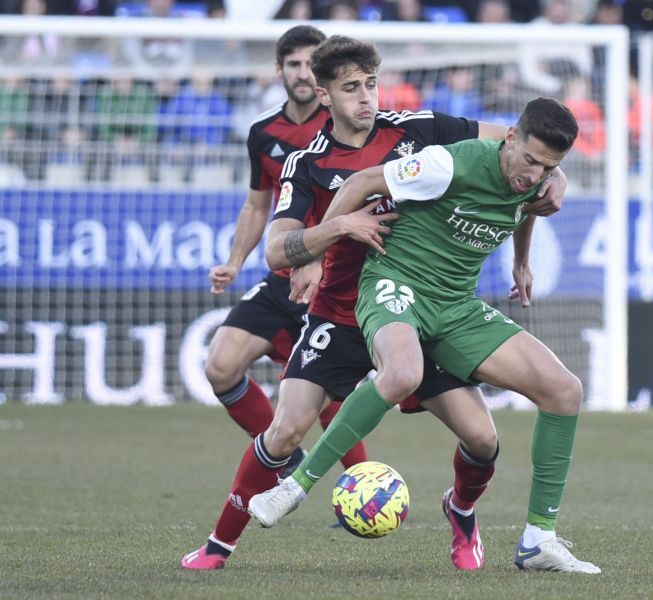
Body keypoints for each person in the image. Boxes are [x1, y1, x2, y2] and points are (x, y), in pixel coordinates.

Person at [229, 35, 568, 572]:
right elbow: (278, 246)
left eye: (370, 84)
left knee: (483, 440)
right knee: (274, 411)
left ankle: (466, 512)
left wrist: (554, 175)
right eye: (351, 88)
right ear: (325, 95)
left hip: (438, 305)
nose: (366, 97)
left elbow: (514, 158)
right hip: (354, 308)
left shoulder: (420, 129)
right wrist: (322, 244)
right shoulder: (306, 160)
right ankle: (232, 535)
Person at [181, 25, 369, 571]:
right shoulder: (264, 134)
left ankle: (356, 485)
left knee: (329, 394)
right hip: (285, 272)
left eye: (314, 64)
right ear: (281, 70)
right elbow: (256, 207)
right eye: (294, 64)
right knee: (220, 366)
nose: (304, 73)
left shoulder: (349, 130)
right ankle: (287, 462)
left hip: (334, 277)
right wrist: (236, 262)